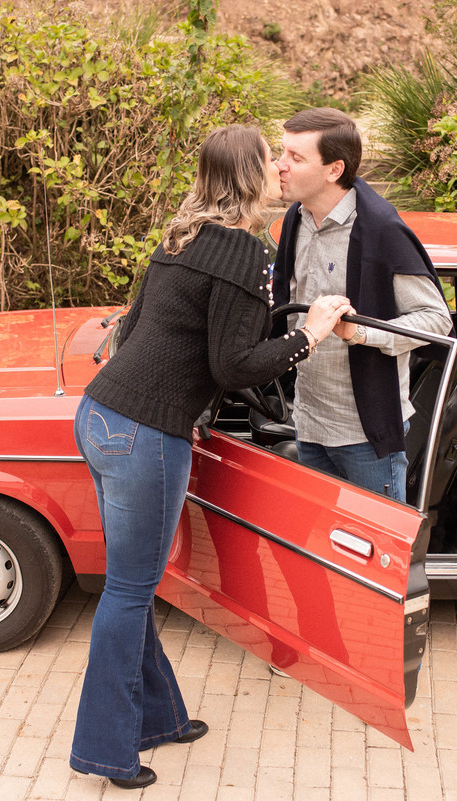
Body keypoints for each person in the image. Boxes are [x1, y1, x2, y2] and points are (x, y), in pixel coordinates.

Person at [69, 124, 352, 790]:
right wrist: (308, 334)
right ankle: (105, 751)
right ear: (252, 176)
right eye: (273, 161)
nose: (282, 168)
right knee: (130, 592)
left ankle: (159, 717)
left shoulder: (180, 236)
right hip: (145, 434)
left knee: (129, 586)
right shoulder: (245, 253)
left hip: (99, 414)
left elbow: (134, 328)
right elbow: (233, 366)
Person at [272, 108, 452, 502]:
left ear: (334, 169)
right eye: (280, 152)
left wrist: (359, 332)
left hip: (365, 437)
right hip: (308, 422)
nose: (279, 166)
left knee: (376, 558)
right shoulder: (296, 219)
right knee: (322, 554)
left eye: (295, 158)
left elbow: (437, 321)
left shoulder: (382, 230)